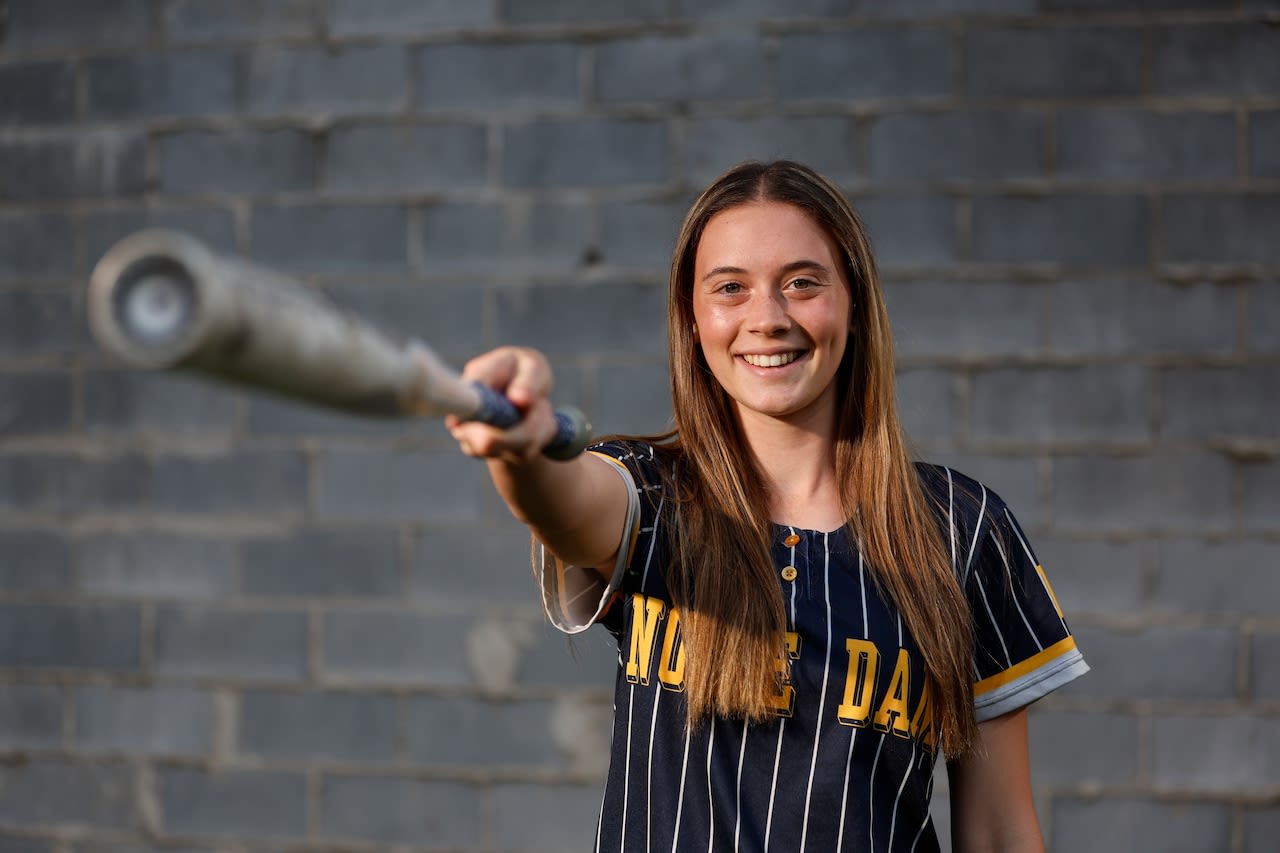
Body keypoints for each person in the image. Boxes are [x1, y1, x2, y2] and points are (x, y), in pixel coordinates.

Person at [448, 161, 1088, 852]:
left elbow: (998, 830)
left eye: (802, 283)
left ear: (853, 301)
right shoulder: (652, 492)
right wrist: (522, 448)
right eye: (730, 288)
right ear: (693, 319)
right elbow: (564, 504)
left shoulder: (964, 530)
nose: (768, 318)